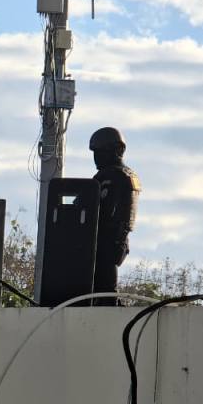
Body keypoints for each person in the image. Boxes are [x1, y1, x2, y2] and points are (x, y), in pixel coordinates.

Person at [89, 127, 140, 305]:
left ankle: (108, 303)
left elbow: (120, 213)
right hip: (107, 239)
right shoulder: (110, 176)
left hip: (109, 239)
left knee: (104, 287)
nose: (97, 157)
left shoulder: (116, 176)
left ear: (117, 150)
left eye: (101, 152)